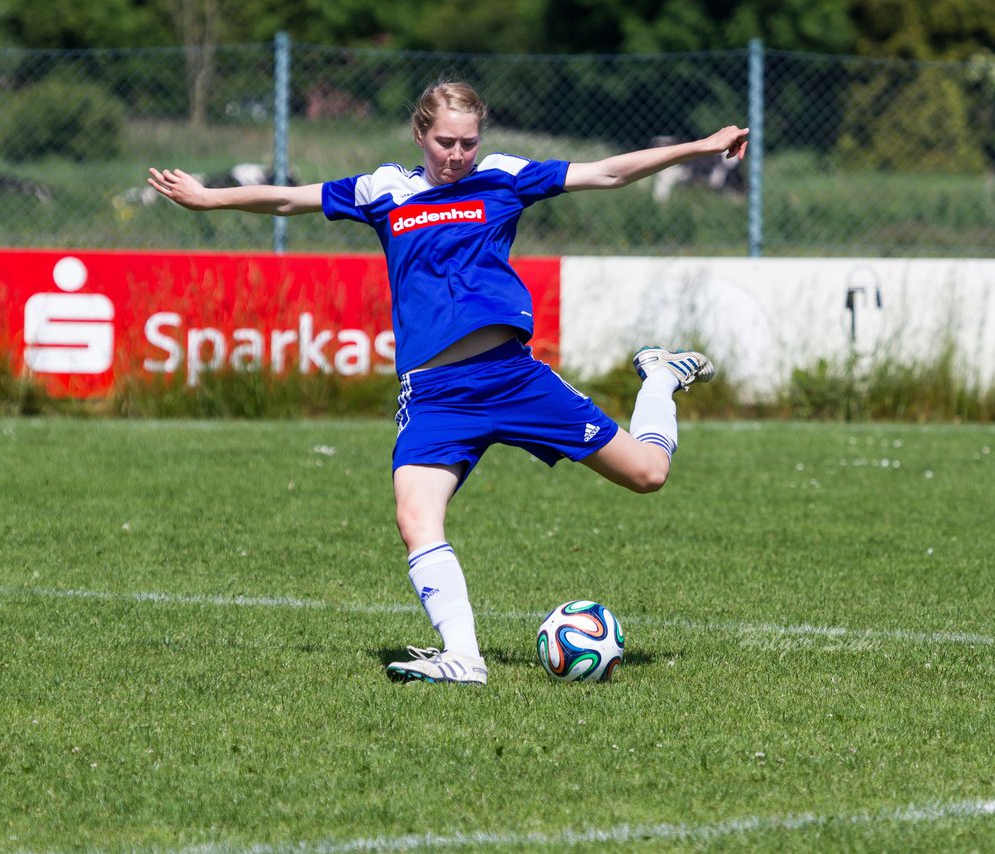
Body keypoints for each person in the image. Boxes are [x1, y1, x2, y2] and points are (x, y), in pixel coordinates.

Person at [149, 80, 749, 686]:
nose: (457, 154)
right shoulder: (386, 191)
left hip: (511, 378)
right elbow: (288, 200)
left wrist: (700, 146)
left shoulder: (503, 177)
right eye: (445, 143)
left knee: (648, 473)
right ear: (420, 134)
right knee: (415, 516)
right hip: (435, 396)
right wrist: (208, 199)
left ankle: (659, 378)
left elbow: (608, 174)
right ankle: (463, 656)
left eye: (468, 142)